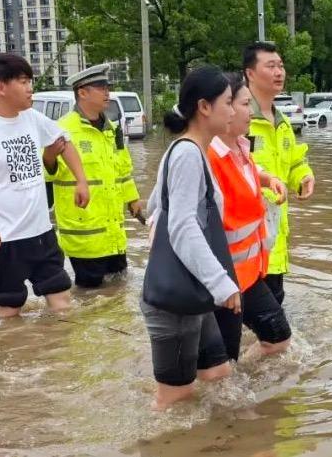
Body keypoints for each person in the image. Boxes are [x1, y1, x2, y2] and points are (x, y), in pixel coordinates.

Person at [0, 53, 90, 318]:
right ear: (1, 87)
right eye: (23, 81)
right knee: (9, 310)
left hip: (41, 233)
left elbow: (63, 142)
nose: (30, 88)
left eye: (30, 81)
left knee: (62, 302)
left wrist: (81, 181)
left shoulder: (32, 118)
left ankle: (58, 358)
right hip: (3, 239)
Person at [141, 65, 241, 410]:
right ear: (204, 107)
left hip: (192, 293)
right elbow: (182, 225)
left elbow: (156, 207)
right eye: (228, 102)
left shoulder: (189, 151)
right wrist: (222, 284)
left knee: (218, 374)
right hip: (176, 302)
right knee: (174, 402)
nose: (233, 110)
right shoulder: (186, 154)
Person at [208, 72, 292, 362]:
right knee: (221, 365)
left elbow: (245, 175)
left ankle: (248, 379)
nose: (251, 111)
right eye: (245, 104)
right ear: (226, 109)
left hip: (249, 275)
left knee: (278, 336)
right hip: (222, 279)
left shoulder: (241, 148)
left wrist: (267, 179)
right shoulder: (206, 157)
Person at [44, 64, 143, 288]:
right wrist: (49, 156)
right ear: (82, 92)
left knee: (118, 292)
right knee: (89, 297)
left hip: (113, 232)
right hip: (85, 234)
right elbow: (47, 174)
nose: (107, 92)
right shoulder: (62, 129)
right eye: (101, 87)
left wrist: (133, 199)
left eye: (108, 87)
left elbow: (122, 170)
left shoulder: (111, 129)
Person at [243, 41, 315, 304]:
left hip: (274, 242)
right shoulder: (238, 119)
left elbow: (294, 161)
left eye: (281, 66)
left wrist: (303, 176)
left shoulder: (281, 121)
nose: (279, 72)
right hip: (245, 246)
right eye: (270, 66)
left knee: (273, 314)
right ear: (250, 73)